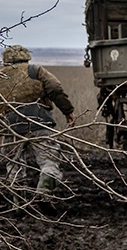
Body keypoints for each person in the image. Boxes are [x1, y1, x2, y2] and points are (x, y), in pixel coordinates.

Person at [0, 45, 76, 196]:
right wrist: (68, 111)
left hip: (11, 126)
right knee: (49, 161)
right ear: (26, 57)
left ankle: (19, 203)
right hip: (40, 122)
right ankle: (44, 192)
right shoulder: (36, 71)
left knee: (14, 165)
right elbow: (54, 88)